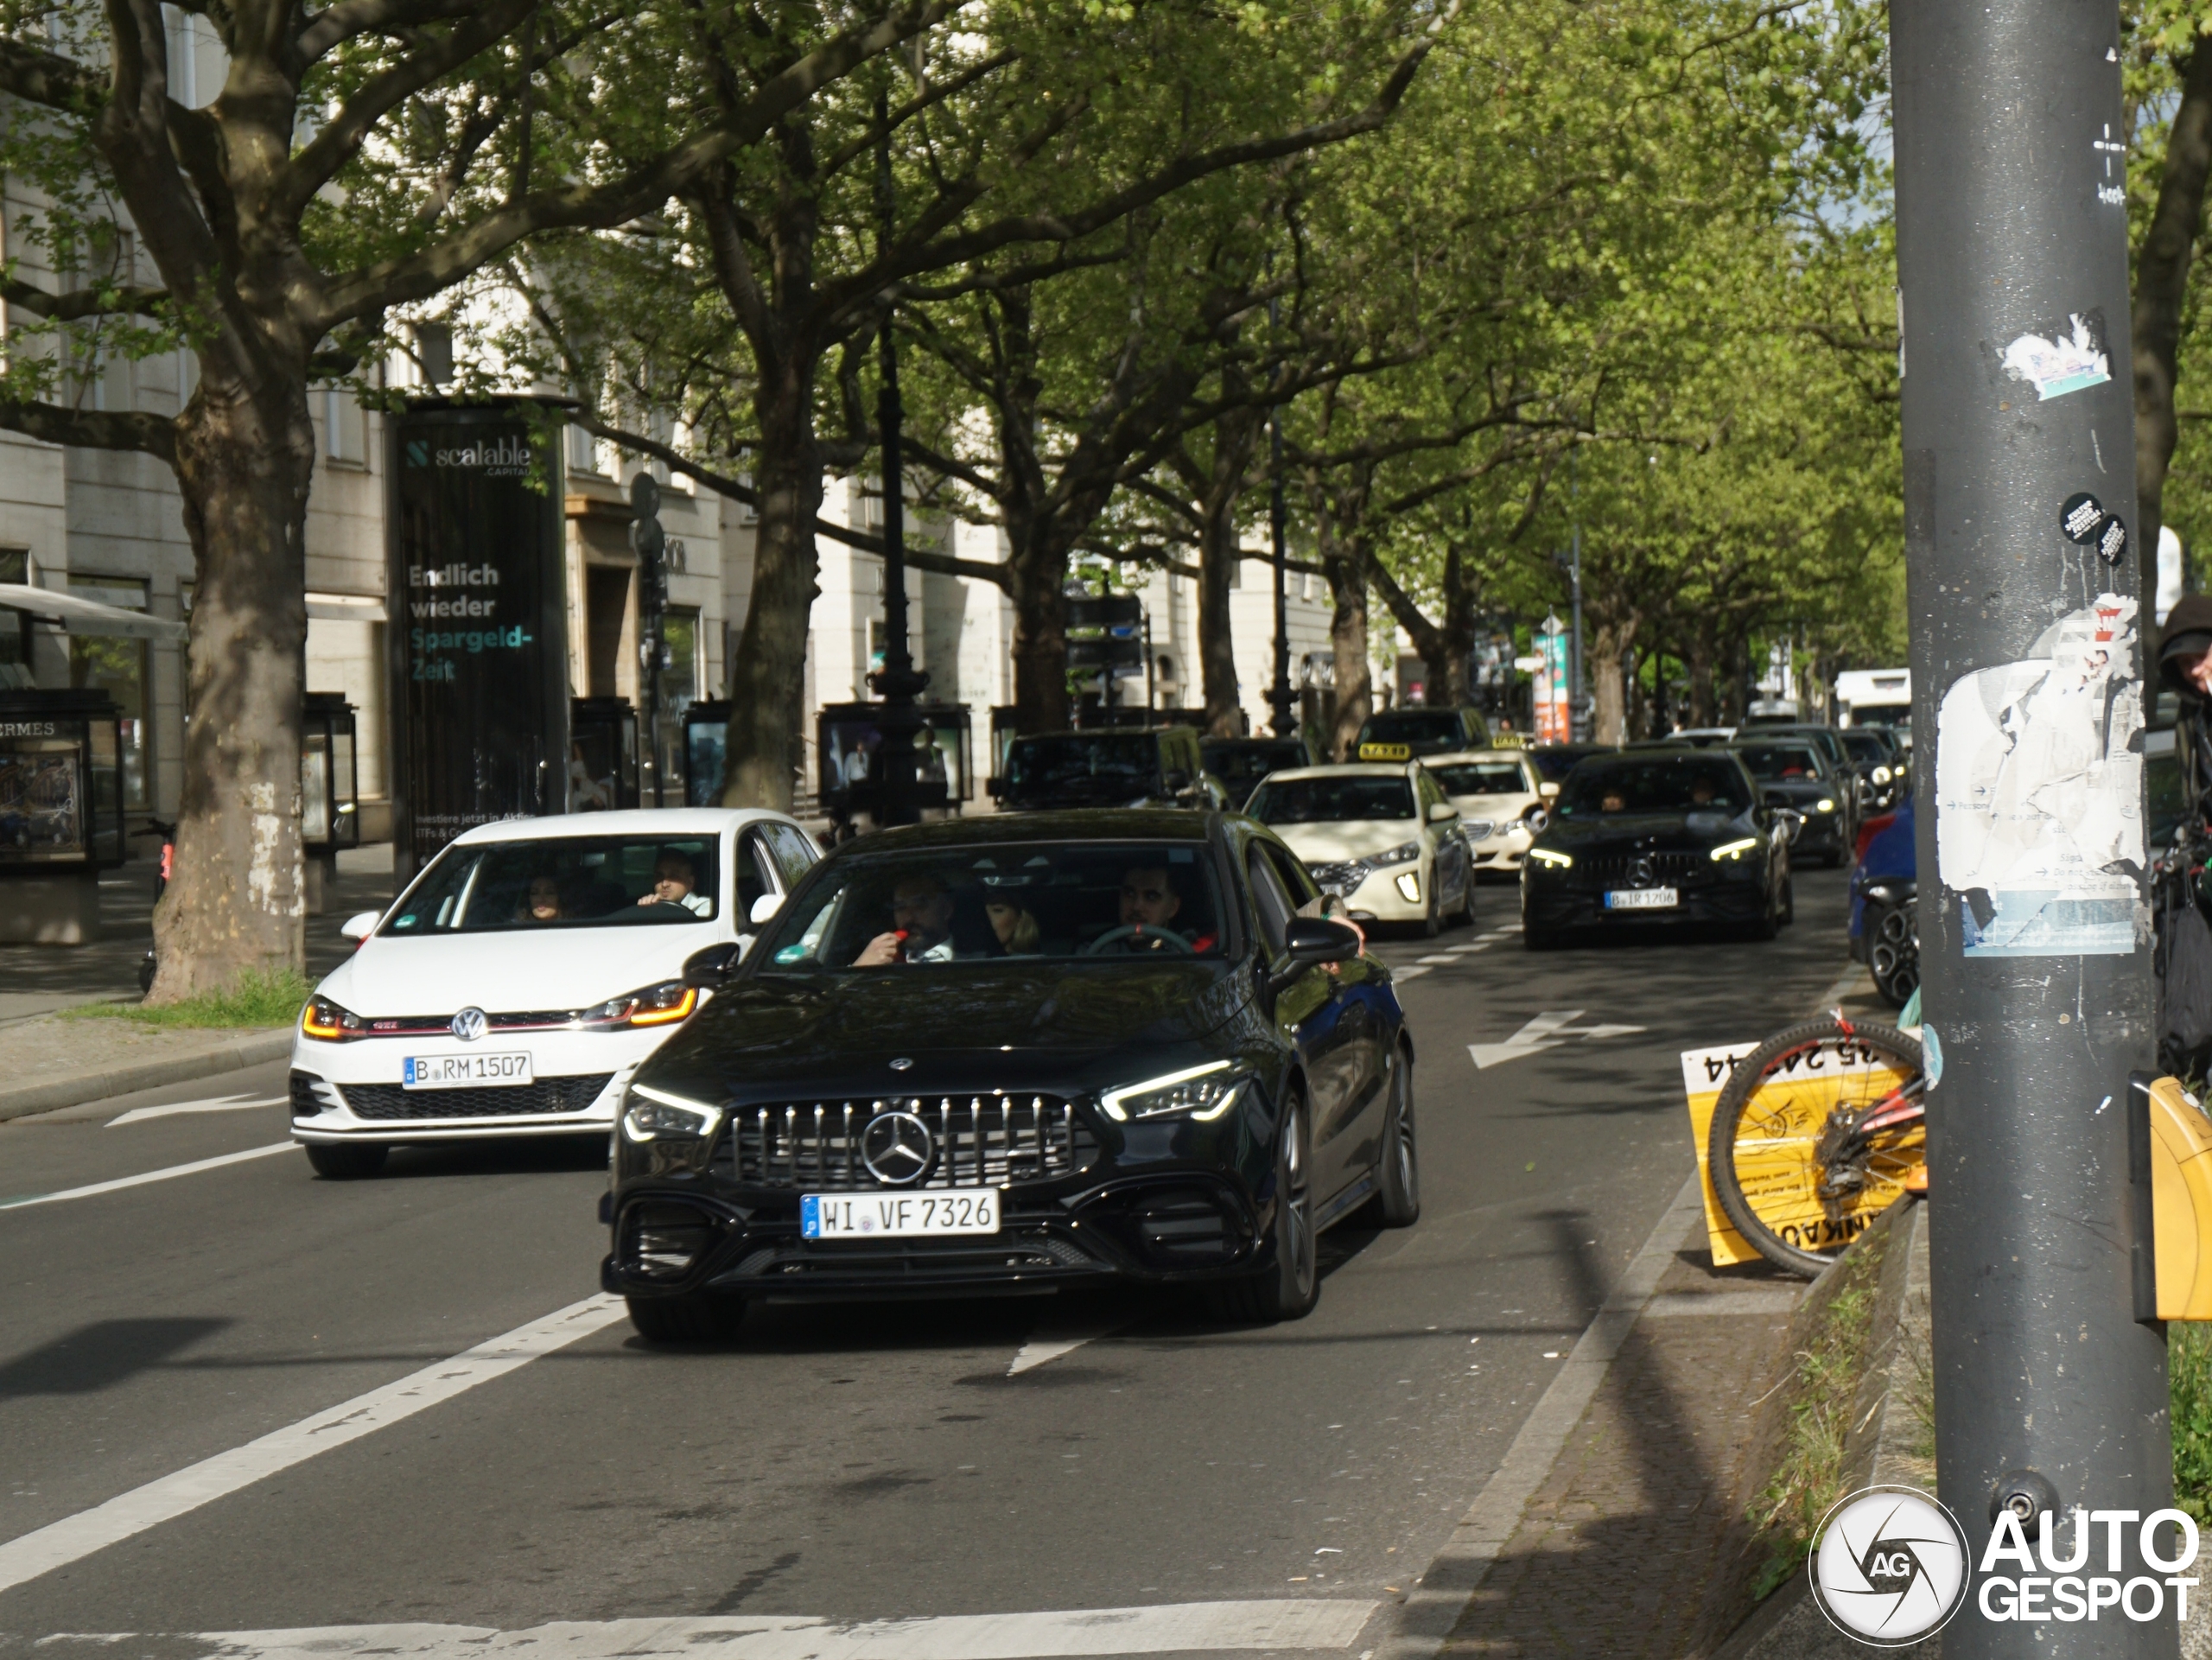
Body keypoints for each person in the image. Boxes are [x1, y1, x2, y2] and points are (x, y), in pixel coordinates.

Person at [854, 874, 957, 965]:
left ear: (946, 910)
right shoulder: (880, 961)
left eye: (919, 906)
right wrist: (861, 967)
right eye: (900, 908)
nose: (909, 917)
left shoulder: (972, 961)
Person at [637, 849, 712, 915]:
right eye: (659, 877)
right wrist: (646, 911)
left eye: (673, 877)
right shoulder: (651, 906)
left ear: (690, 882)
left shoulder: (706, 909)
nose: (664, 884)